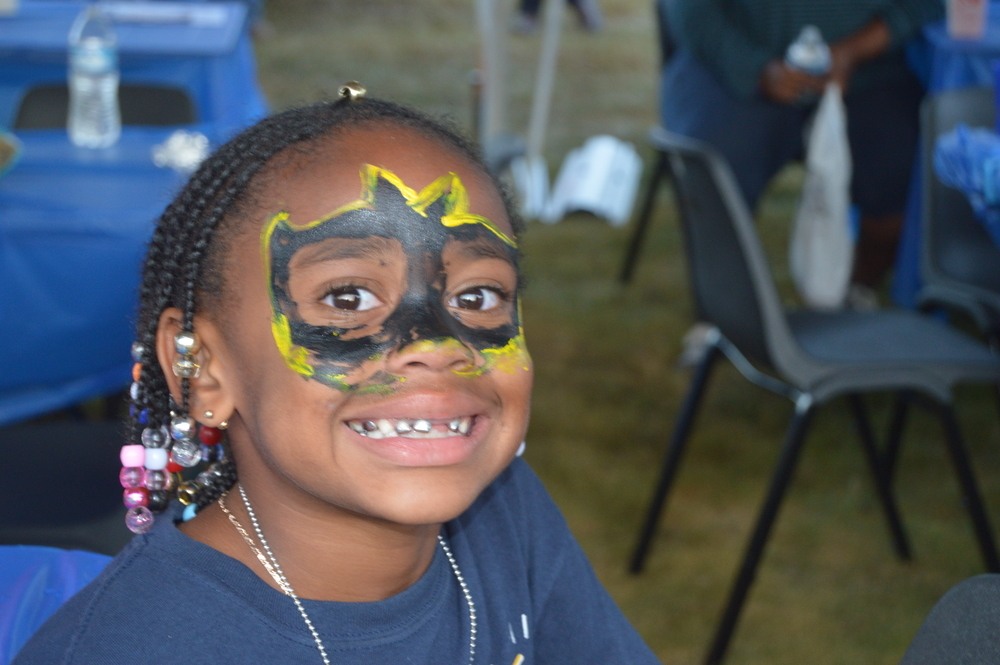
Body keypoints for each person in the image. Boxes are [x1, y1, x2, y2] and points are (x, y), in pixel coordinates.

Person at [11, 86, 660, 664]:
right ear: (201, 368)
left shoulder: (504, 516)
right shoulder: (135, 648)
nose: (436, 345)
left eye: (477, 296)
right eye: (348, 298)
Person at [660, 0, 944, 296]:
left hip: (867, 72)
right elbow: (686, 8)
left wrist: (853, 51)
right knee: (713, 173)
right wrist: (754, 67)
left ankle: (854, 290)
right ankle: (730, 312)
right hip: (734, 63)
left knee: (907, 170)